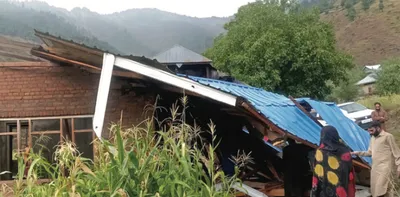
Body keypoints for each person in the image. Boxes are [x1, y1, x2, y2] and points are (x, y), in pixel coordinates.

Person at [352, 121, 400, 197]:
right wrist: (357, 153)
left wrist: (399, 166)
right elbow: (370, 152)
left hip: (385, 167)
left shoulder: (388, 136)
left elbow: (397, 152)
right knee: (378, 189)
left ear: (378, 128)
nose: (370, 133)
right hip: (375, 167)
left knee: (382, 187)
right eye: (369, 131)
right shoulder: (373, 138)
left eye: (372, 130)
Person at [311, 126, 356, 197]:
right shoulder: (344, 150)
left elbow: (317, 172)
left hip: (325, 189)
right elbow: (349, 170)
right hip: (342, 187)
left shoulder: (320, 151)